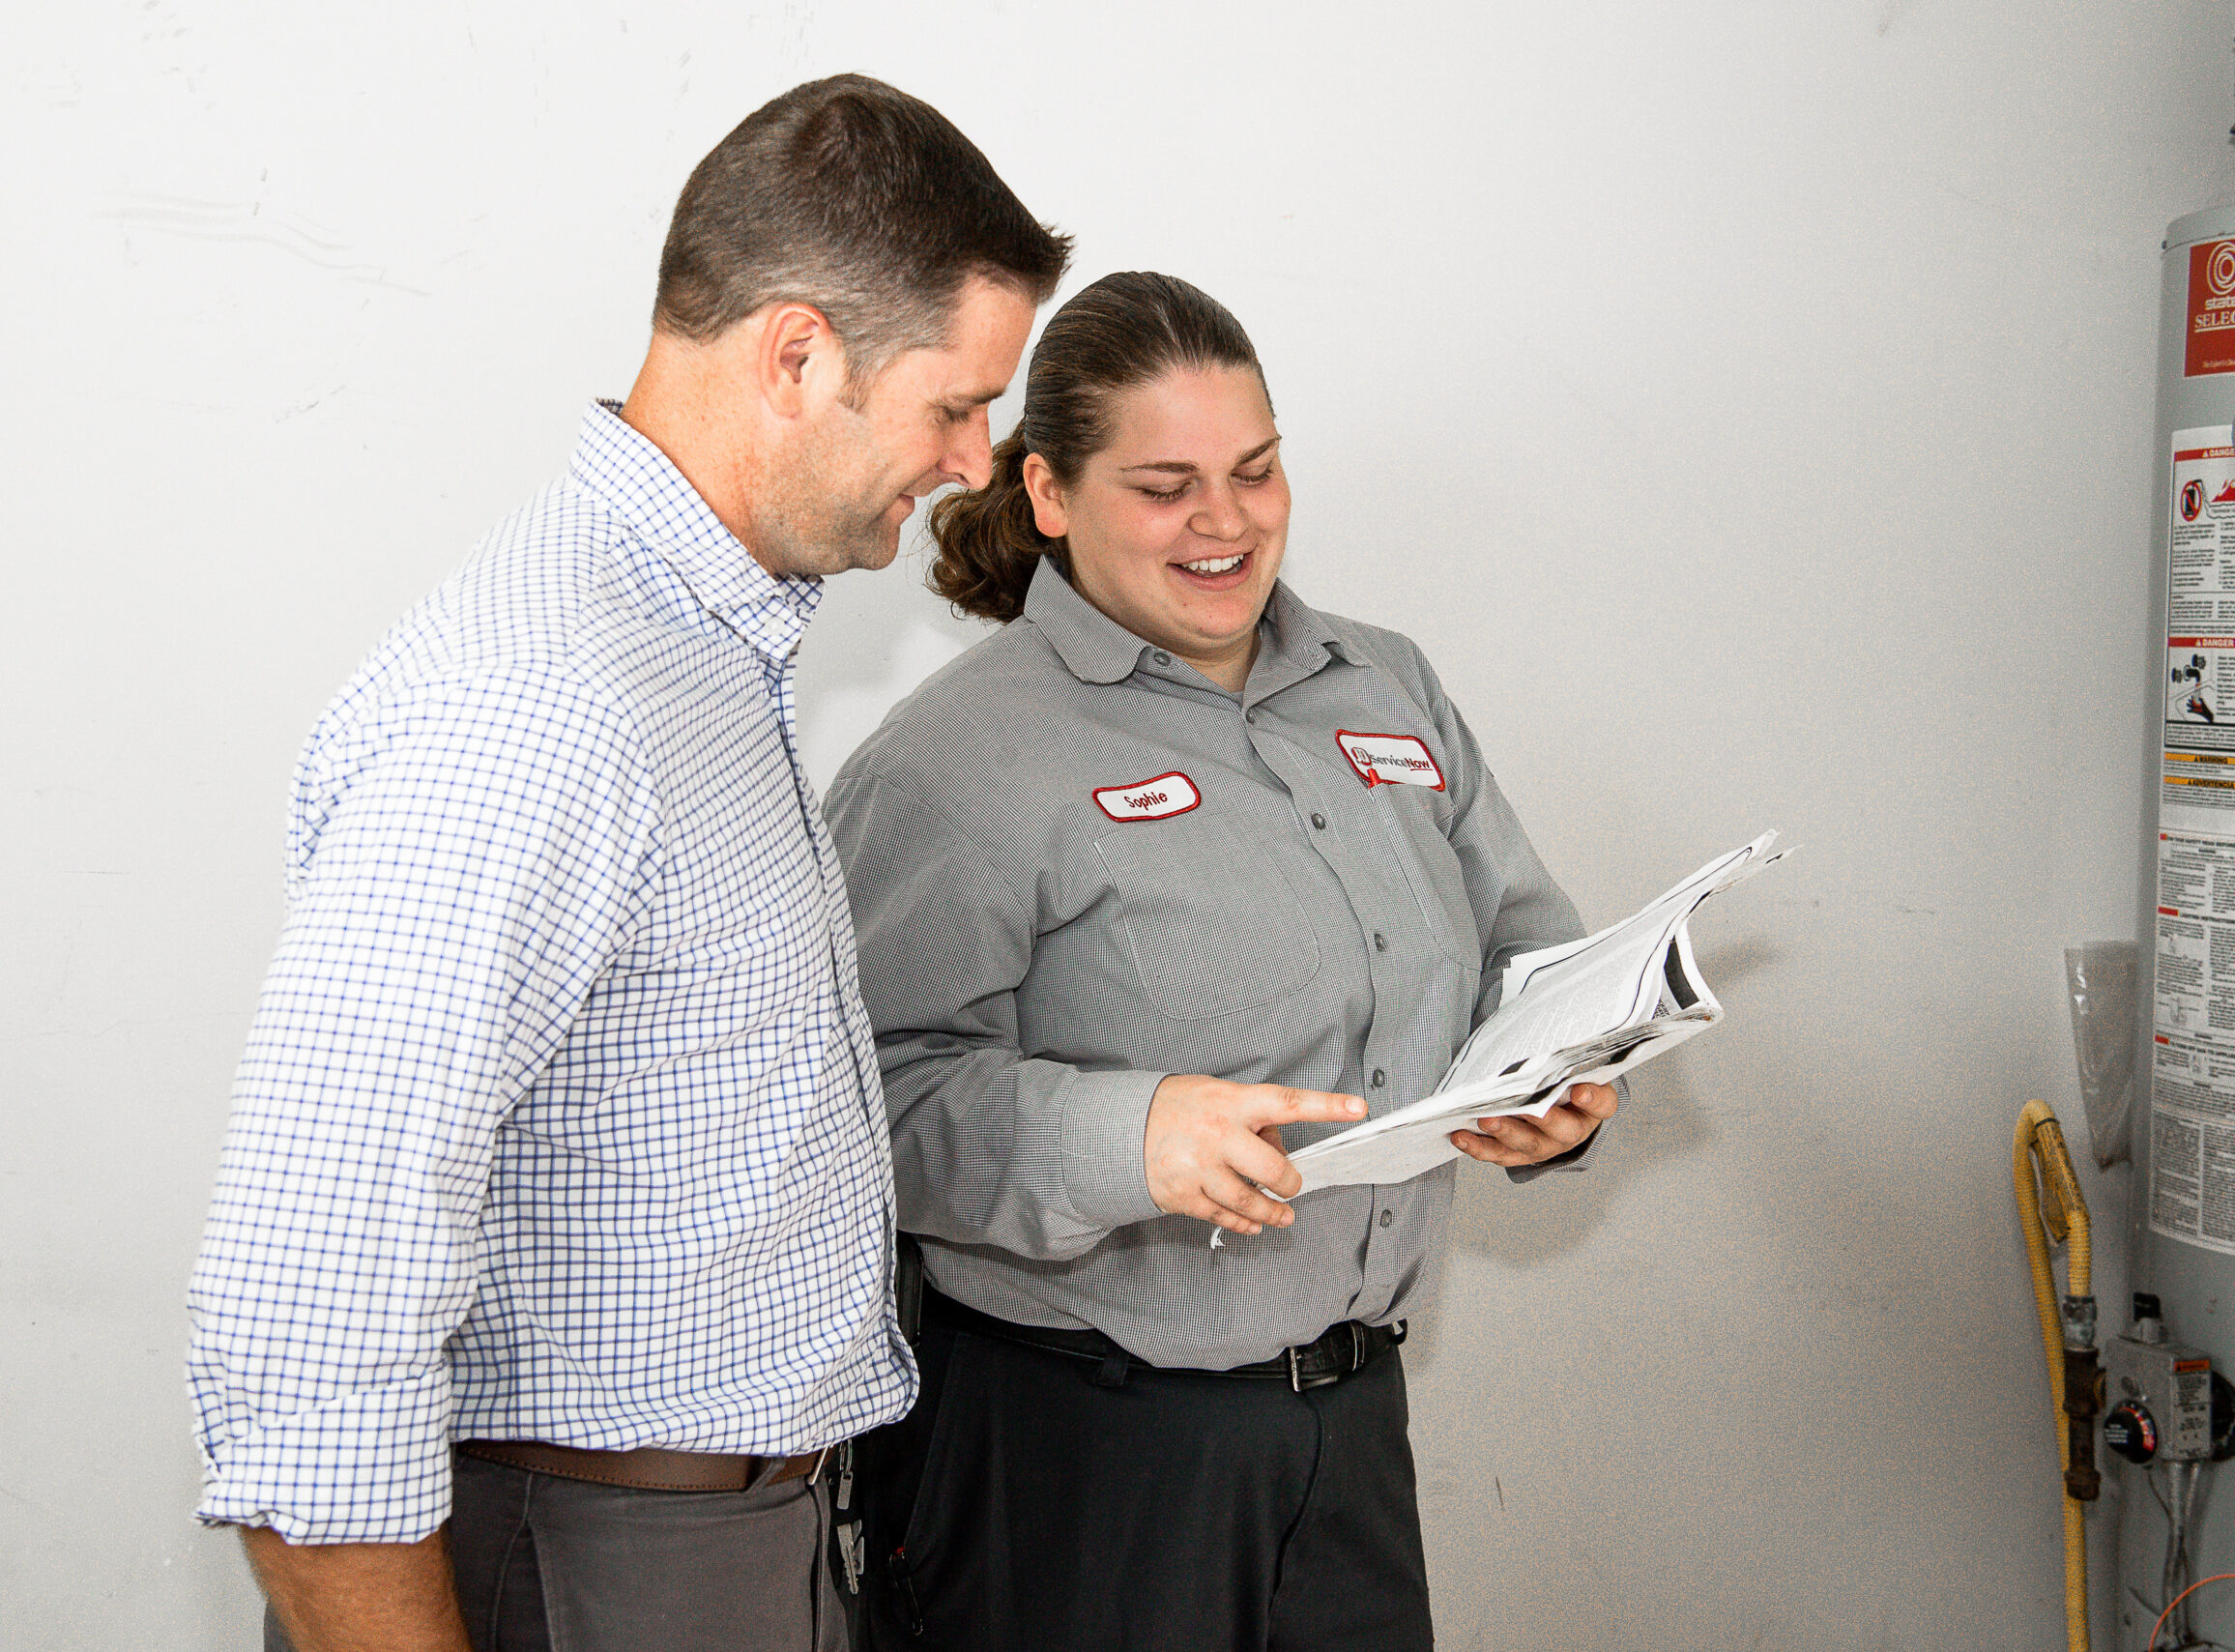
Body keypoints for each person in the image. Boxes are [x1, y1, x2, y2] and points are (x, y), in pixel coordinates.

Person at [183, 76, 1068, 1652]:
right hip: (591, 1567)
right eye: (954, 402)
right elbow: (307, 1328)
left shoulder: (700, 656)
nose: (978, 460)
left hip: (732, 1545)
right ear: (797, 355)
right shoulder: (540, 706)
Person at [823, 271, 1621, 1652]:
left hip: (1352, 1432)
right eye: (1166, 484)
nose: (1228, 520)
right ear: (1051, 496)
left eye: (1256, 470)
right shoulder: (954, 764)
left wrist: (1557, 1074)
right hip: (1079, 1458)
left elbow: (1521, 952)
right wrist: (1120, 1134)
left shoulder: (1388, 688)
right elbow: (862, 1112)